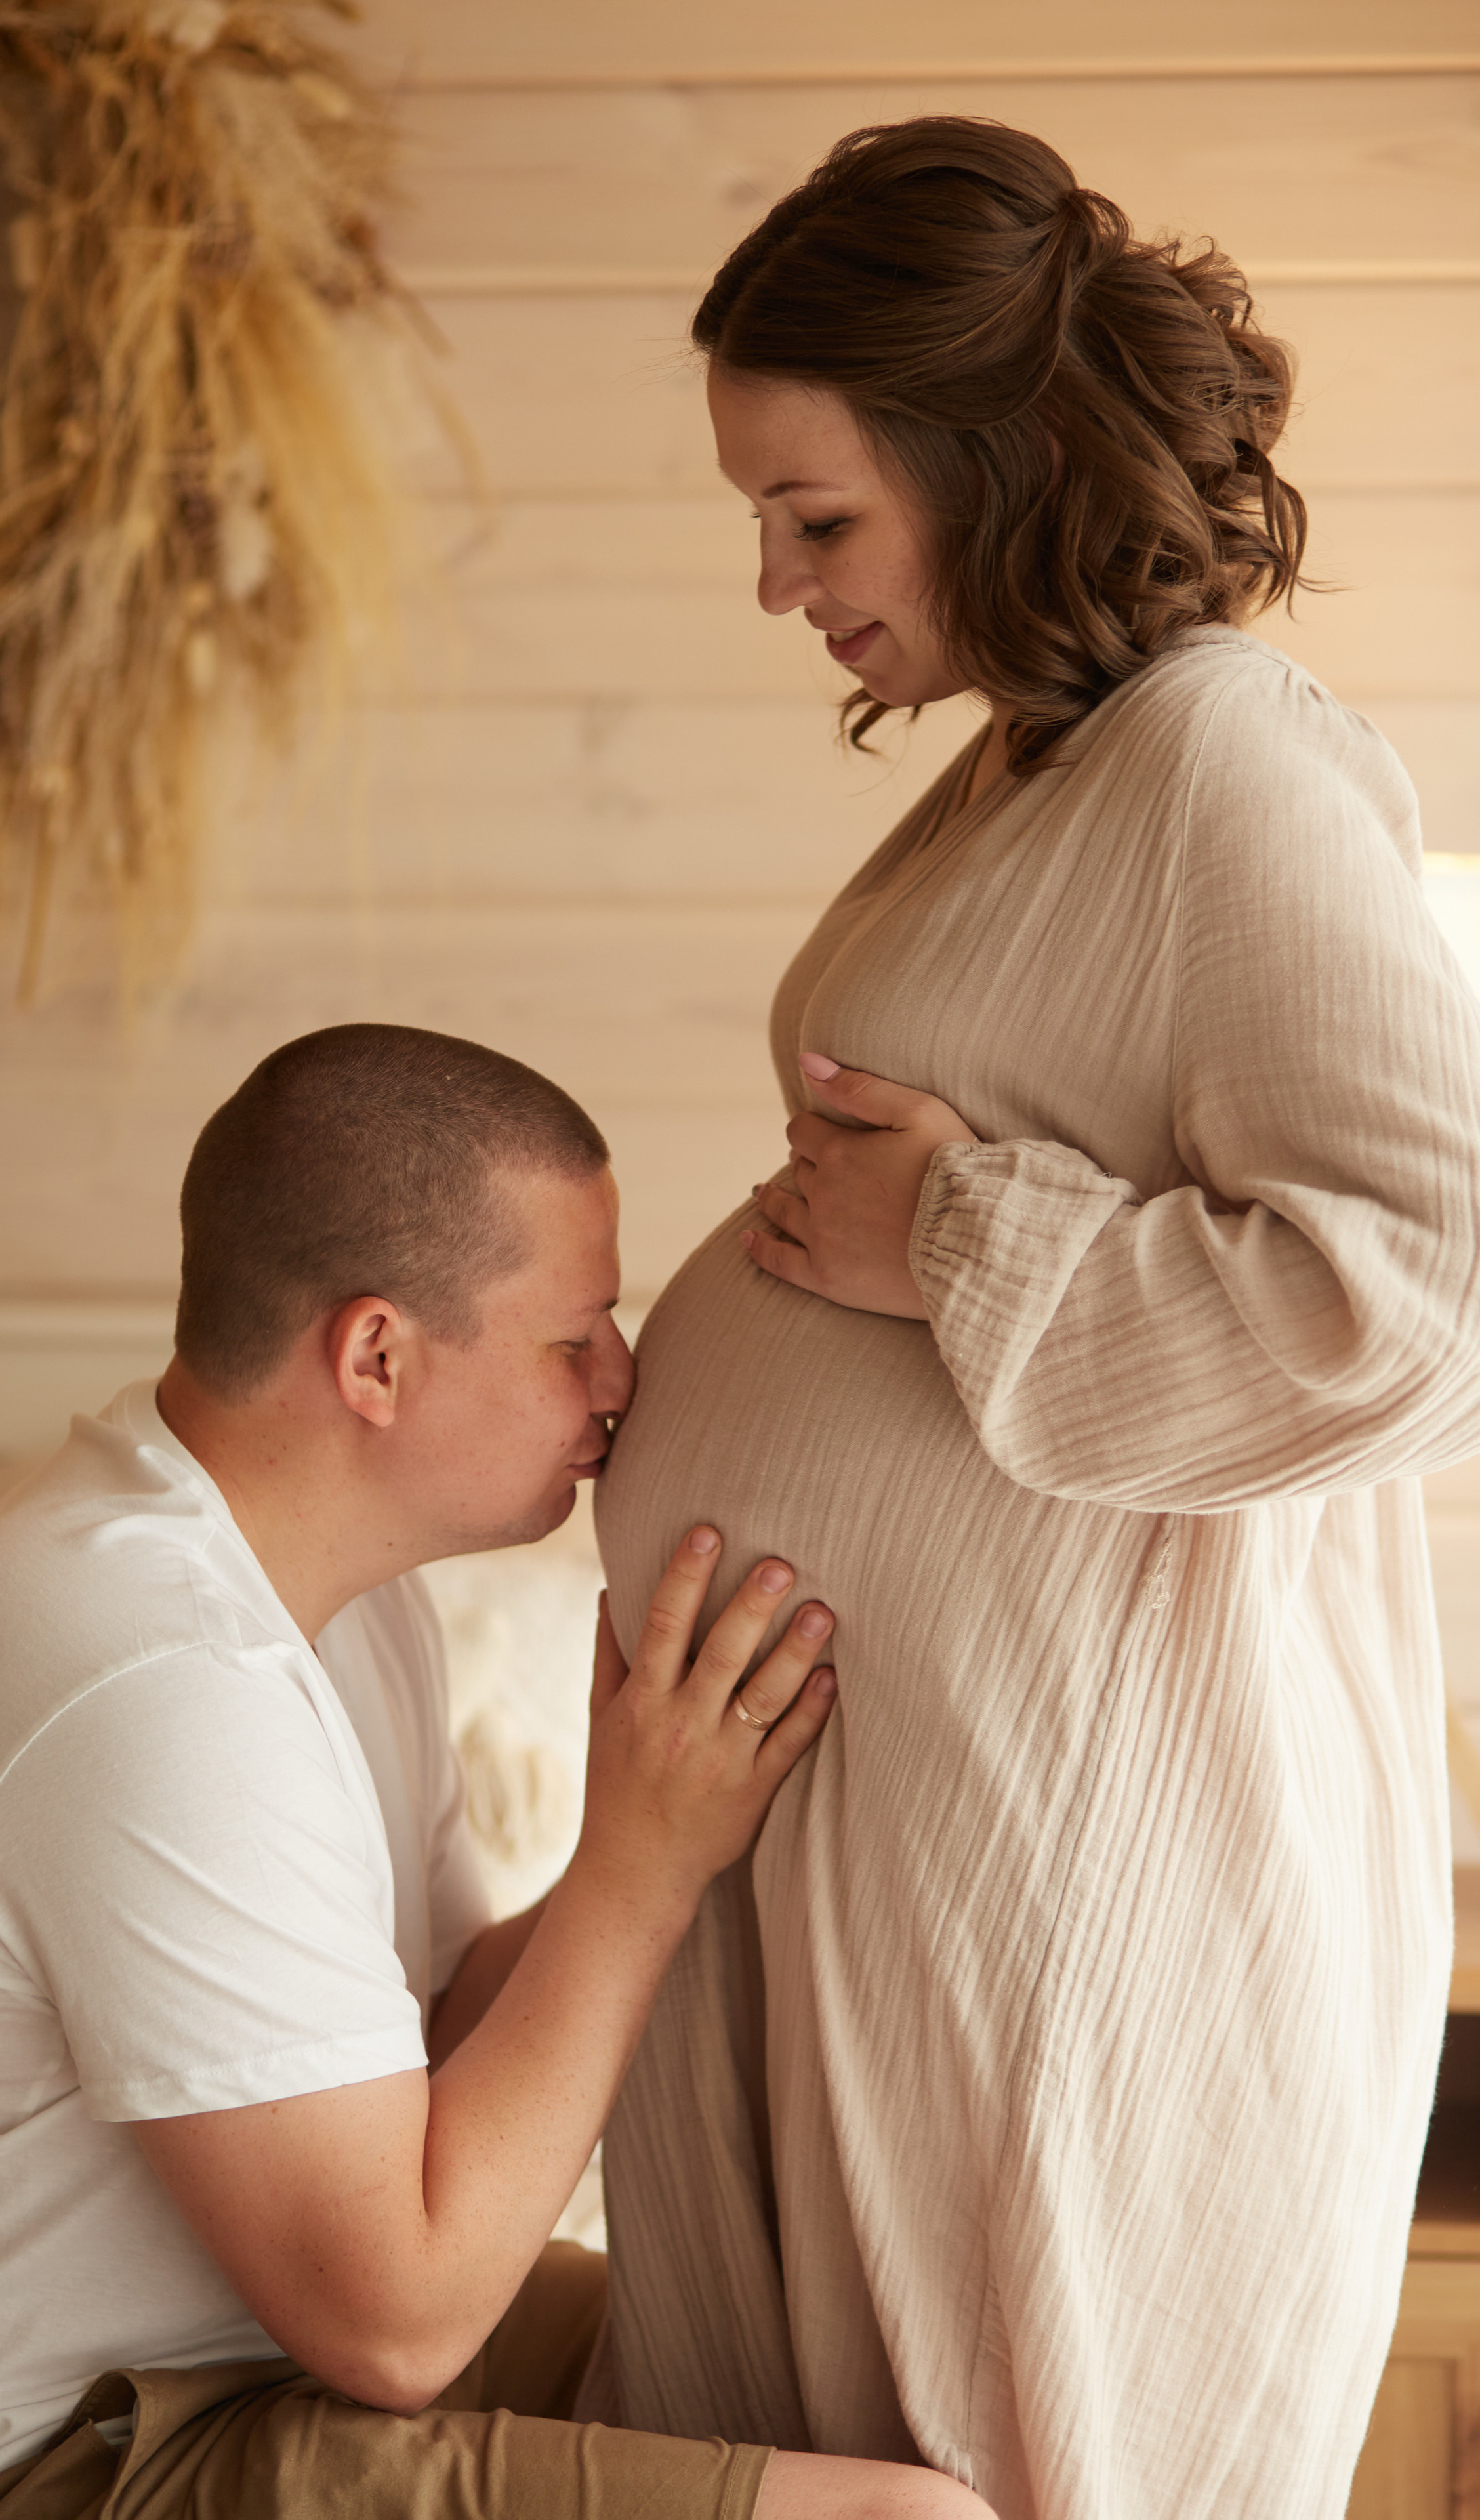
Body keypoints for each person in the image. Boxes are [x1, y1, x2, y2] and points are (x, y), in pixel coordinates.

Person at [591, 117, 1480, 2520]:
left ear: (991, 466)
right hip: (886, 1848)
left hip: (1070, 1870)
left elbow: (1425, 1297)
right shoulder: (1042, 769)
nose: (777, 588)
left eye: (817, 517)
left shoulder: (1233, 759)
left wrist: (957, 1240)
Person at [0, 1024, 1000, 2520]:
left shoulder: (346, 1600)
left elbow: (423, 2034)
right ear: (375, 1357)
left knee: (821, 2365)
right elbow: (402, 2325)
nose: (623, 1378)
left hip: (211, 2367)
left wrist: (701, 1812)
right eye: (575, 1336)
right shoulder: (159, 1690)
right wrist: (634, 1867)